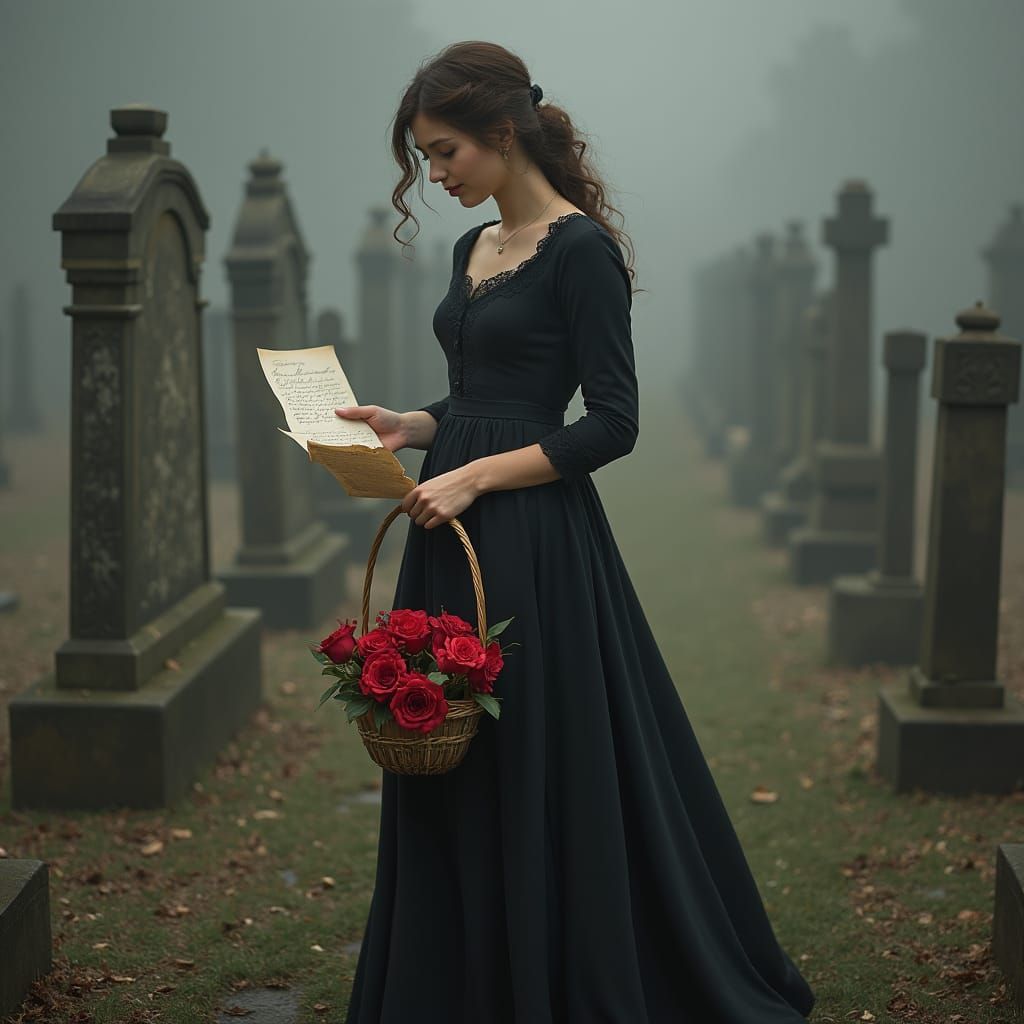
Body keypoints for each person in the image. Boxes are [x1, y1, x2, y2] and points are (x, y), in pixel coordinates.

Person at [336, 39, 816, 1024]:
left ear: (501, 135)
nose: (435, 175)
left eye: (444, 153)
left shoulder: (581, 251)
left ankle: (550, 973)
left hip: (531, 541)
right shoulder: (469, 250)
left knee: (528, 755)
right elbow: (482, 397)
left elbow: (611, 421)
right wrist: (410, 427)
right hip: (448, 520)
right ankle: (451, 983)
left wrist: (472, 475)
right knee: (446, 748)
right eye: (426, 158)